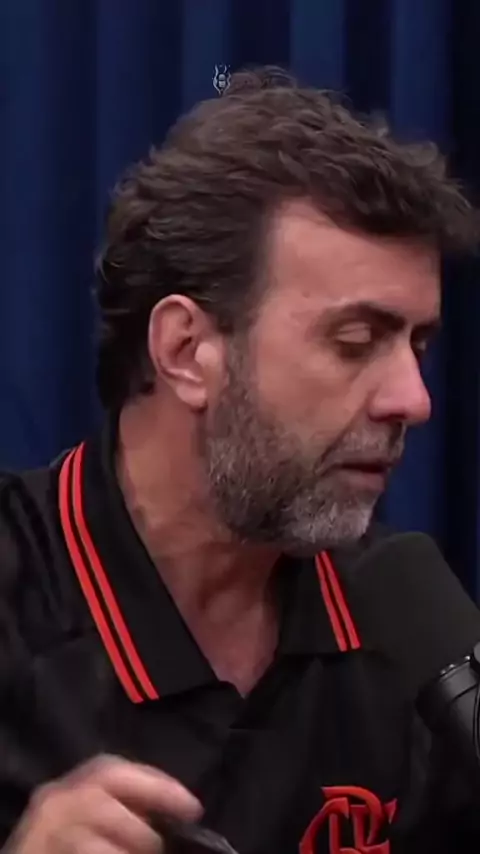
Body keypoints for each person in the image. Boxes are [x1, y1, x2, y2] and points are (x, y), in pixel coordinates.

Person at [0, 66, 478, 854]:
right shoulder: (20, 589)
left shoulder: (404, 621)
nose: (413, 399)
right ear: (187, 350)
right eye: (355, 341)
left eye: (417, 345)